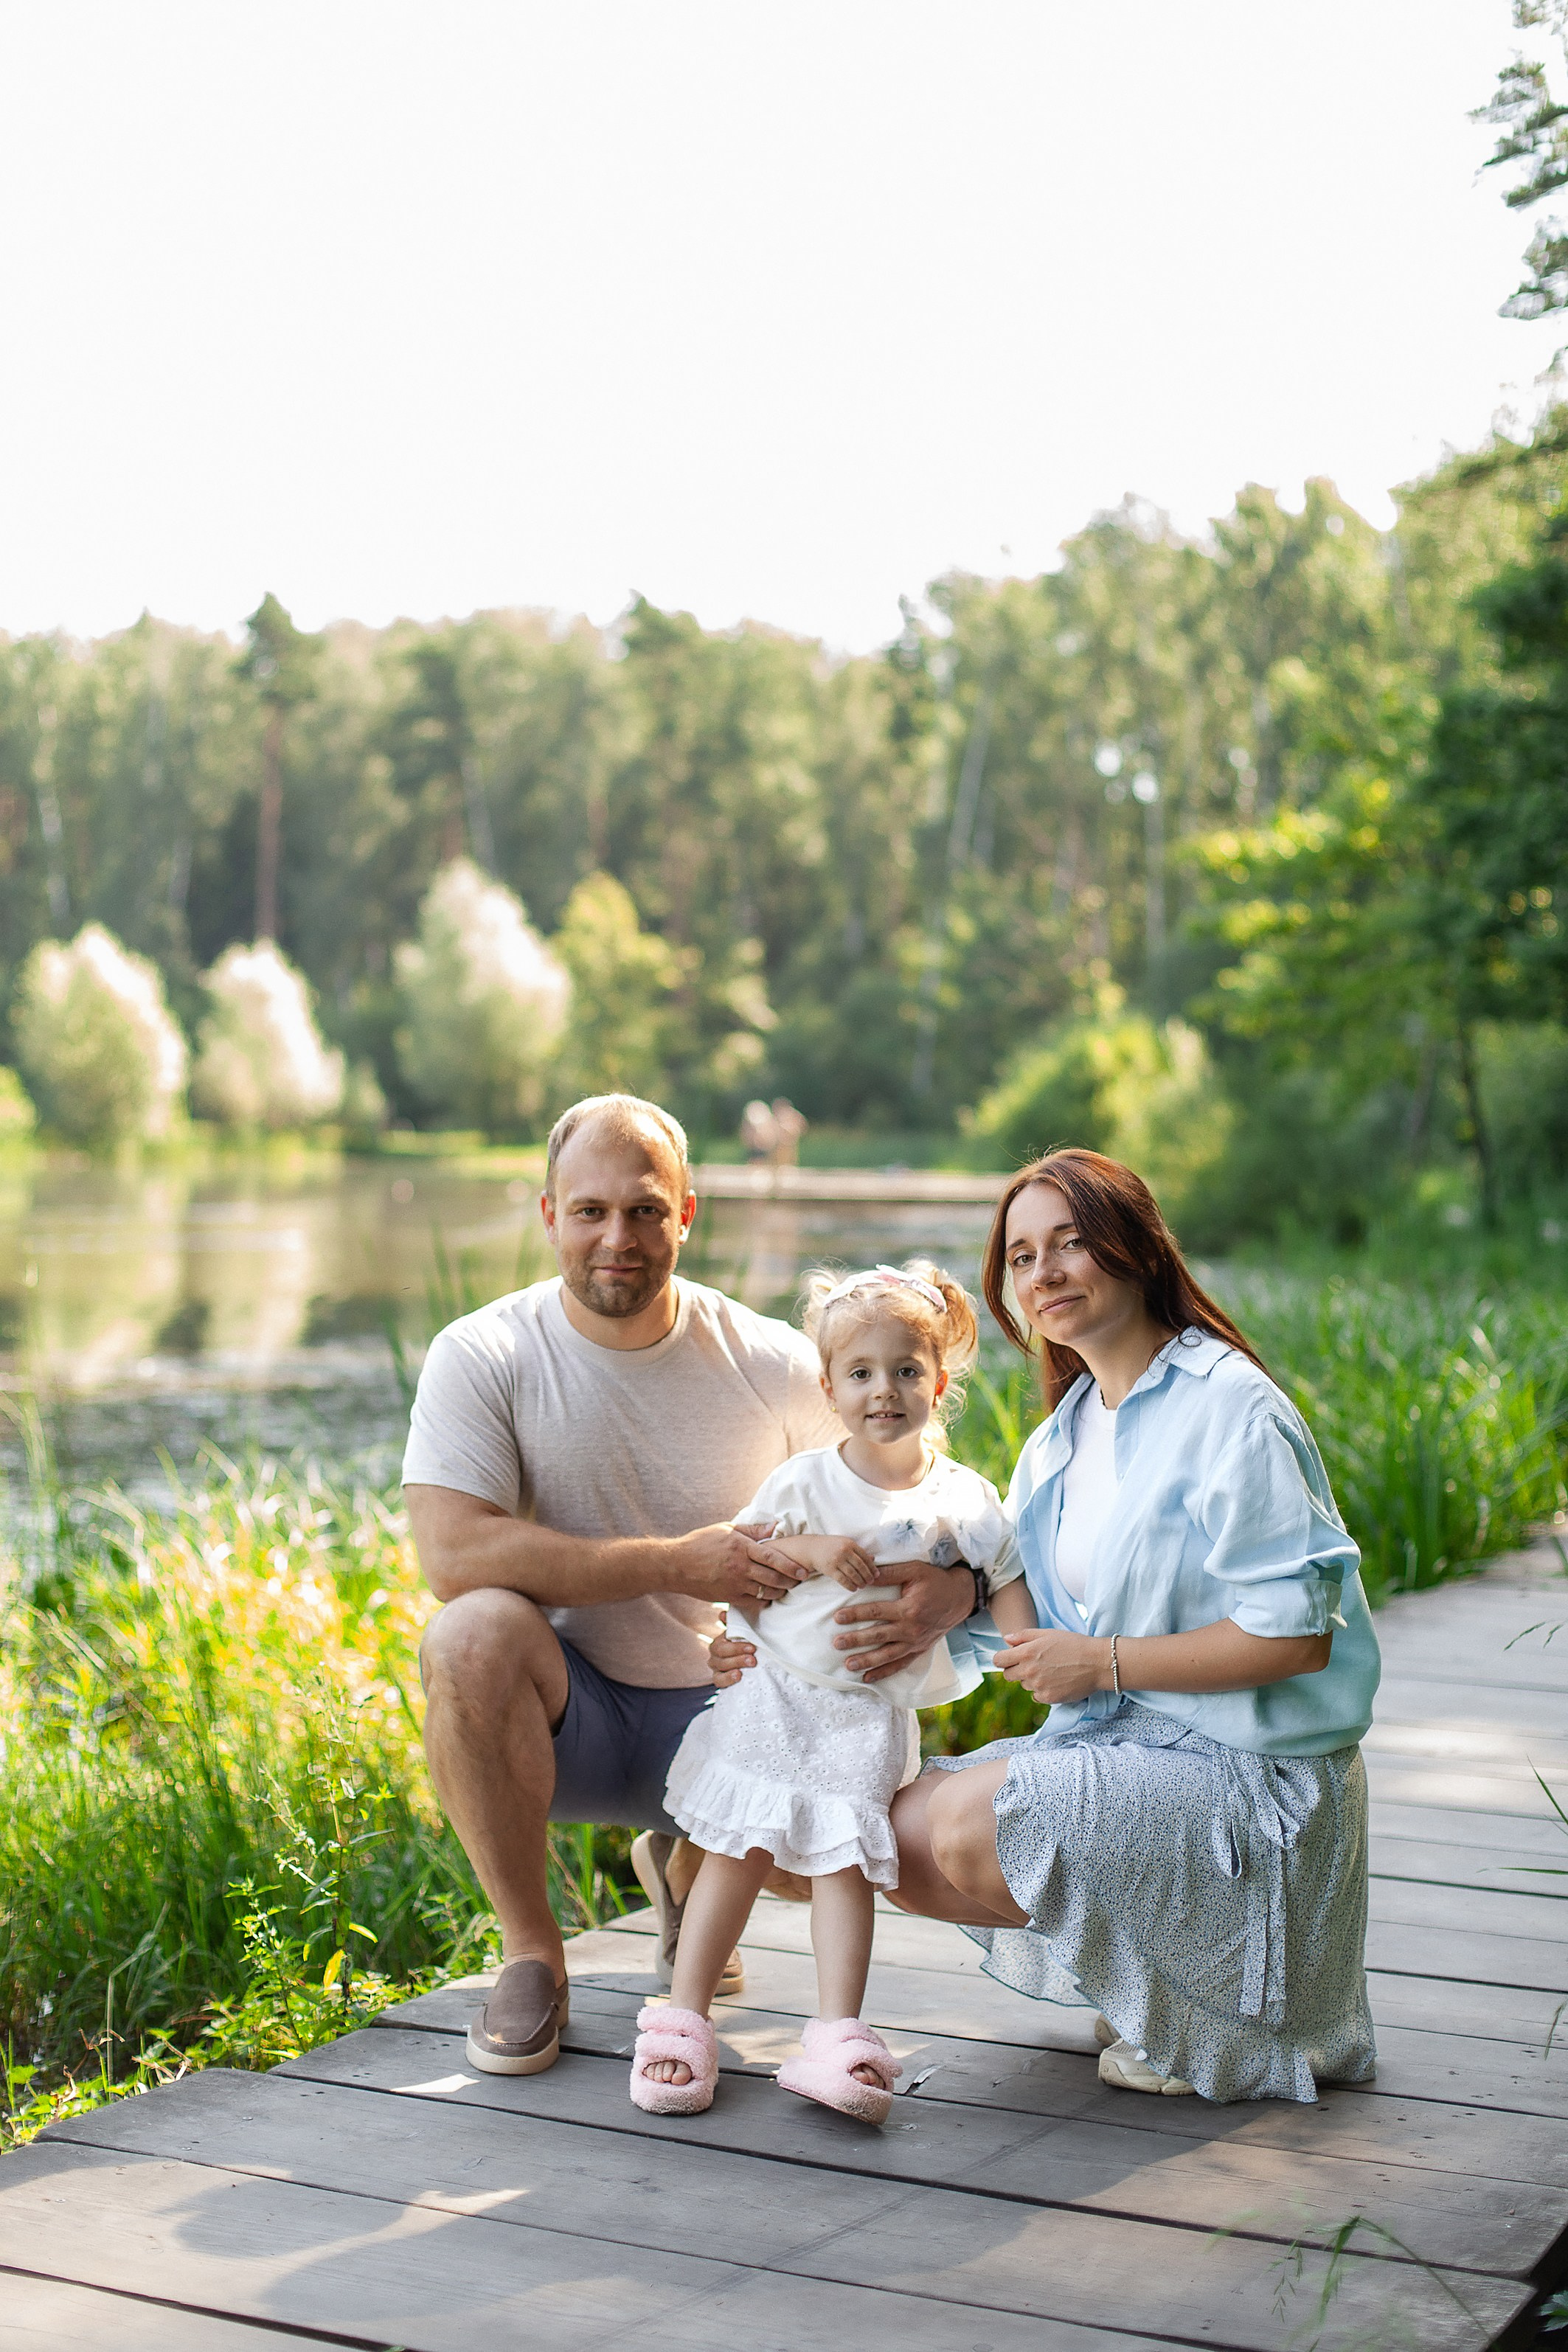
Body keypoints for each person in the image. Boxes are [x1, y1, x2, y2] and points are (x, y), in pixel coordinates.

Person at [403, 1094, 981, 2079]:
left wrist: (953, 1597)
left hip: (738, 1710)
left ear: (687, 1214)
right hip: (567, 1718)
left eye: (643, 1210)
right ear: (548, 1216)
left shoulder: (774, 1362)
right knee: (468, 1632)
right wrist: (678, 1561)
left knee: (867, 1839)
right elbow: (453, 1553)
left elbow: (918, 1499)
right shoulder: (483, 1352)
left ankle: (688, 1869)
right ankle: (533, 1953)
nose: (616, 1237)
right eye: (589, 1211)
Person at [878, 1149, 1382, 2105]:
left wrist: (1104, 1662)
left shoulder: (1231, 1408)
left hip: (1253, 1776)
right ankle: (1162, 1990)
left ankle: (1232, 2015)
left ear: (1138, 1250)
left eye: (1070, 1243)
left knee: (971, 1819)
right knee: (893, 1830)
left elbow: (1295, 1639)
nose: (1045, 1273)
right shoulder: (1059, 1440)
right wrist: (953, 1603)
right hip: (1133, 1746)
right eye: (1021, 1258)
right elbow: (1037, 1637)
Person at [628, 1261, 1034, 2123]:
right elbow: (743, 1571)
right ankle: (683, 2018)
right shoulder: (803, 1482)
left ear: (938, 1381)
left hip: (864, 1716)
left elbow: (1008, 1574)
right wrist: (799, 1566)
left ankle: (835, 2034)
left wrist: (1031, 1646)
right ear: (827, 1386)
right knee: (737, 1852)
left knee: (842, 1866)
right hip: (775, 1696)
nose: (882, 1390)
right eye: (859, 1373)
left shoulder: (961, 1498)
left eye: (904, 1370)